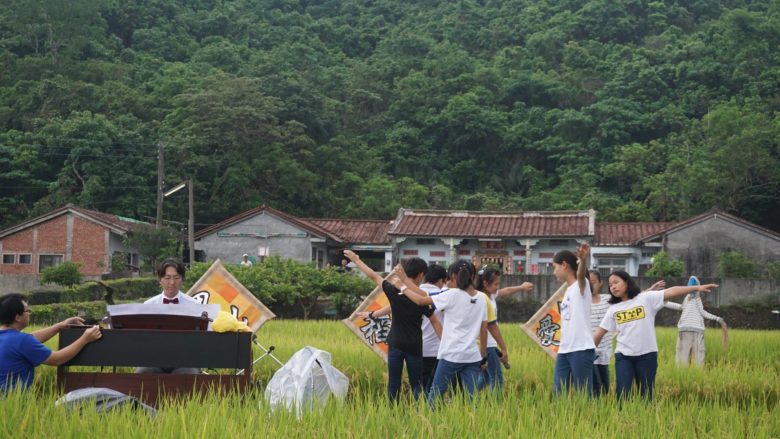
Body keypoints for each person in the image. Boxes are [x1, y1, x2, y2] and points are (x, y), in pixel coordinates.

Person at [593, 271, 718, 400]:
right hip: (624, 356)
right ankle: (622, 418)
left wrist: (696, 288)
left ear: (627, 282)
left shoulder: (645, 298)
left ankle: (644, 417)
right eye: (610, 285)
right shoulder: (613, 309)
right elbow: (600, 332)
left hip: (647, 356)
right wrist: (588, 352)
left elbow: (672, 291)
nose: (613, 287)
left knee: (647, 395)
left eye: (616, 282)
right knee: (622, 394)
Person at [344, 250, 441, 403]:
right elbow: (435, 321)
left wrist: (356, 260)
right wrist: (444, 342)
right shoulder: (422, 297)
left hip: (395, 343)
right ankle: (420, 413)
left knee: (393, 384)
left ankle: (392, 413)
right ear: (421, 275)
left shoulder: (393, 289)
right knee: (417, 384)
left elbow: (373, 275)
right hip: (414, 346)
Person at [396, 260, 488, 406]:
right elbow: (484, 329)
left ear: (453, 276)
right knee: (472, 399)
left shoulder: (451, 295)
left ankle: (425, 423)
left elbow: (421, 300)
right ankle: (475, 426)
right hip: (472, 356)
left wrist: (402, 286)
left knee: (435, 395)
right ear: (473, 276)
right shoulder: (482, 298)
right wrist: (483, 356)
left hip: (450, 355)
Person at [0, 293, 102, 393]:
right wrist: (85, 339)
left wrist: (59, 326)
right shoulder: (22, 341)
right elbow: (57, 359)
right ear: (17, 317)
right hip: (13, 401)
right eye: (27, 311)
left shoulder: (10, 338)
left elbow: (31, 339)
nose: (29, 313)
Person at [474, 267, 534, 392]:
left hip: (487, 345)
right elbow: (491, 326)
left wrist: (521, 287)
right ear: (485, 283)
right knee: (497, 380)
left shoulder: (489, 295)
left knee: (485, 378)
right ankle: (494, 408)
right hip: (487, 345)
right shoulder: (482, 299)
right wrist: (504, 348)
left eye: (498, 284)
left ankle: (465, 398)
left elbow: (505, 291)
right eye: (495, 284)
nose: (497, 287)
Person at [137, 258, 199, 374]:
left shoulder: (195, 305)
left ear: (182, 279)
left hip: (185, 359)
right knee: (142, 373)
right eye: (167, 278)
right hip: (154, 359)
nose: (172, 282)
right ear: (160, 280)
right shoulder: (148, 305)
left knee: (189, 374)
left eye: (176, 278)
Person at [552, 244, 596, 396]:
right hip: (564, 350)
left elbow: (581, 277)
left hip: (581, 349)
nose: (554, 271)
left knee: (584, 394)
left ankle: (589, 419)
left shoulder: (581, 286)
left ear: (564, 265)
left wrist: (583, 261)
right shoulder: (567, 291)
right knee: (559, 392)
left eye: (555, 267)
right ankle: (563, 420)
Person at [664, 276, 728, 366]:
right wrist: (664, 303)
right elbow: (681, 307)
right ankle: (684, 377)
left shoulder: (697, 298)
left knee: (695, 360)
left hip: (695, 330)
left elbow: (702, 312)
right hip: (686, 330)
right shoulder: (687, 298)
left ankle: (696, 376)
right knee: (684, 360)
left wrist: (717, 319)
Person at [587, 270, 613, 396]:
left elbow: (631, 300)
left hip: (604, 349)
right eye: (587, 283)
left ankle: (603, 411)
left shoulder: (608, 299)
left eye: (593, 282)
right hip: (588, 349)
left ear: (601, 283)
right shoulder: (581, 302)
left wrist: (651, 289)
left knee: (605, 386)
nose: (591, 286)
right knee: (595, 387)